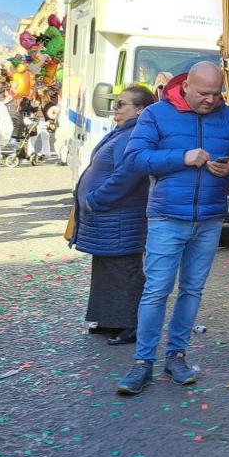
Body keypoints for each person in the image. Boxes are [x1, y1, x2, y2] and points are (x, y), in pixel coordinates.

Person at [116, 62, 229, 396]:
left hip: (209, 219)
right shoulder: (155, 114)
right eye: (204, 94)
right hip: (167, 218)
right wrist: (183, 157)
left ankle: (176, 356)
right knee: (157, 291)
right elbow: (135, 158)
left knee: (192, 290)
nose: (211, 100)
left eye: (216, 94)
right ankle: (142, 362)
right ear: (186, 86)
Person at [73, 86, 156, 345]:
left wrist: (97, 199)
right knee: (106, 266)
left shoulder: (134, 135)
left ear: (140, 109)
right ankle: (109, 318)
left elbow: (127, 175)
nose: (115, 109)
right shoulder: (123, 132)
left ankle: (131, 325)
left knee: (124, 269)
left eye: (121, 104)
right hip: (108, 217)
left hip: (120, 215)